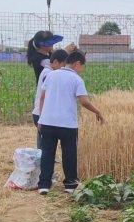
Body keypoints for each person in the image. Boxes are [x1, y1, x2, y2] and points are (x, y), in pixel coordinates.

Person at [37, 51, 104, 195]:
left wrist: (42, 117)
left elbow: (42, 97)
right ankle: (70, 185)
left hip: (48, 122)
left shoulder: (51, 75)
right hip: (67, 124)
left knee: (47, 153)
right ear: (77, 63)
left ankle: (44, 185)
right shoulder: (76, 79)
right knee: (69, 153)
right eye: (82, 66)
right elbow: (84, 101)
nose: (82, 70)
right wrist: (98, 111)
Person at [32, 49, 68, 148]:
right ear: (56, 62)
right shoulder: (49, 74)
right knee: (44, 146)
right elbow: (45, 96)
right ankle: (42, 160)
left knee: (43, 143)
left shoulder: (48, 71)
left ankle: (43, 158)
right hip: (42, 113)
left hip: (40, 112)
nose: (64, 68)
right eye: (63, 65)